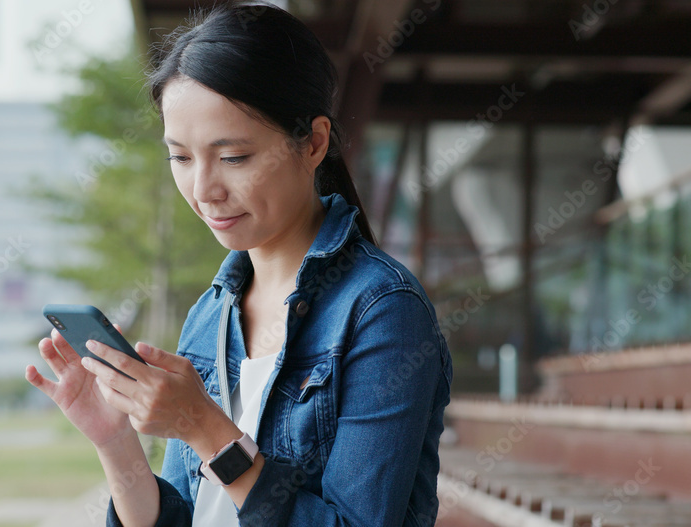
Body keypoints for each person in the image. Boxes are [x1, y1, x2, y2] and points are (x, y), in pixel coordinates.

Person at [25, 2, 452, 525]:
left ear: (313, 142)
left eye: (233, 158)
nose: (203, 190)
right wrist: (117, 442)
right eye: (180, 157)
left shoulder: (381, 312)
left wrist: (205, 428)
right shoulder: (211, 314)